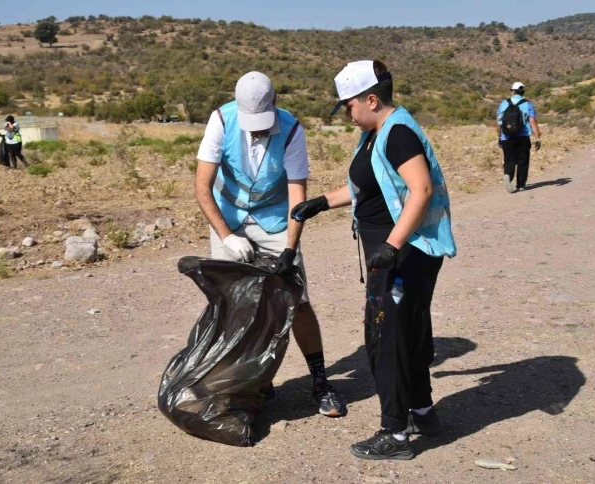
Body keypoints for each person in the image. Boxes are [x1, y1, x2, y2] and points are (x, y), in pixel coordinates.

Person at [291, 60, 457, 460]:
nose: (346, 113)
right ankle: (421, 411)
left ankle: (395, 434)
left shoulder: (398, 133)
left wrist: (393, 245)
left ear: (371, 99)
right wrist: (321, 203)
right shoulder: (376, 132)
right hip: (396, 249)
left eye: (348, 105)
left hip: (404, 251)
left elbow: (420, 190)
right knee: (409, 331)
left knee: (388, 339)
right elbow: (367, 185)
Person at [193, 71, 346, 417]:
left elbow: (297, 195)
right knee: (232, 307)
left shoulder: (292, 130)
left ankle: (321, 382)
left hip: (277, 220)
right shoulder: (220, 121)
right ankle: (251, 382)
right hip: (229, 219)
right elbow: (202, 188)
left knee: (298, 300)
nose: (258, 129)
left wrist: (290, 249)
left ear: (275, 101)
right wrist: (227, 236)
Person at [496, 82, 541, 193]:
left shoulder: (504, 103)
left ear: (513, 91)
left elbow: (498, 122)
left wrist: (499, 136)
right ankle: (521, 185)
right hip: (523, 136)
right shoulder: (527, 104)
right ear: (522, 92)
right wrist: (537, 138)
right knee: (523, 161)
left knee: (509, 159)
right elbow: (532, 122)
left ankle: (508, 175)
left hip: (507, 137)